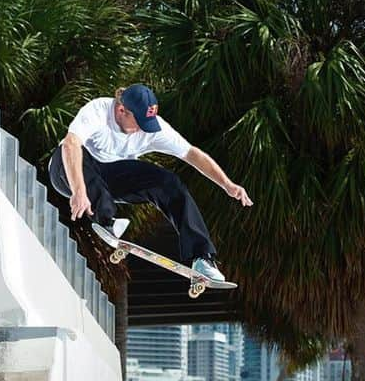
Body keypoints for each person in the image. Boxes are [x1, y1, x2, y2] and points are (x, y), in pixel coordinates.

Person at [48, 83, 252, 284]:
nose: (142, 131)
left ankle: (202, 257)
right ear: (121, 110)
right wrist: (79, 190)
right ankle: (107, 220)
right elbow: (71, 144)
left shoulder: (154, 128)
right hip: (66, 170)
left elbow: (192, 154)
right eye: (138, 124)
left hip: (109, 178)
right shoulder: (98, 110)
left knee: (169, 183)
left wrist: (227, 184)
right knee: (80, 157)